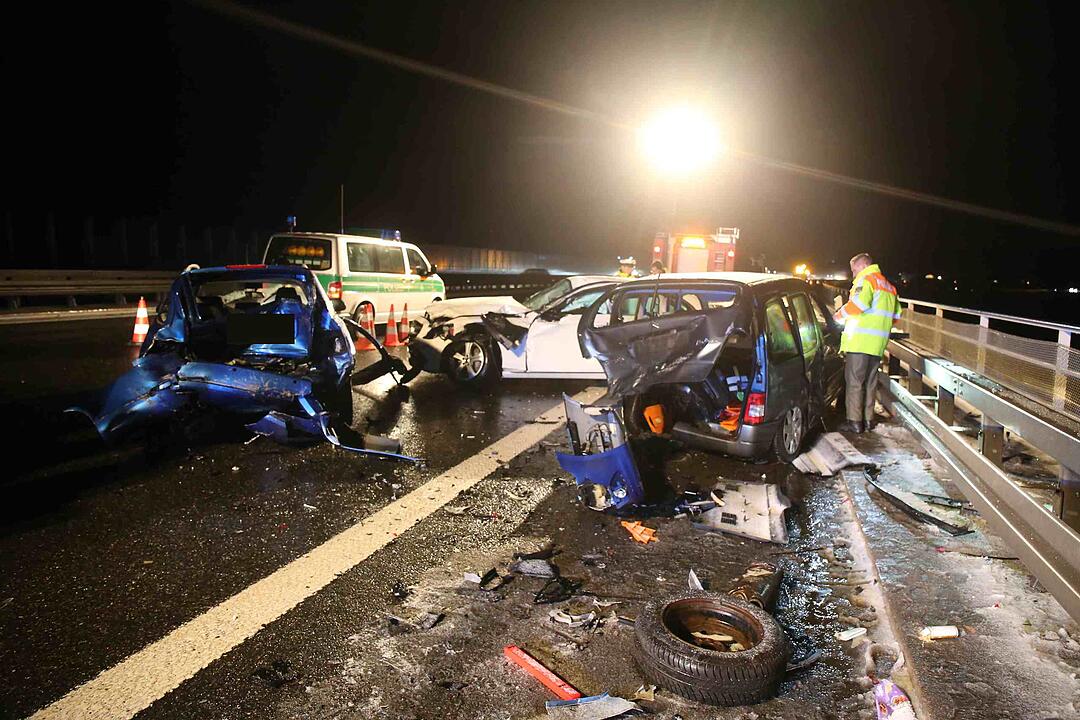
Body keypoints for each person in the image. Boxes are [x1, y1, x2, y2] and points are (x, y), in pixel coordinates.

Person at [833, 253, 901, 433]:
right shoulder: (889, 286)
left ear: (863, 266)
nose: (853, 274)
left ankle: (854, 422)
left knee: (855, 382)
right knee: (870, 382)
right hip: (877, 344)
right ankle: (868, 420)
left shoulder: (866, 280)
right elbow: (896, 316)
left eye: (854, 270)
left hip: (860, 341)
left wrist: (838, 315)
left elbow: (859, 305)